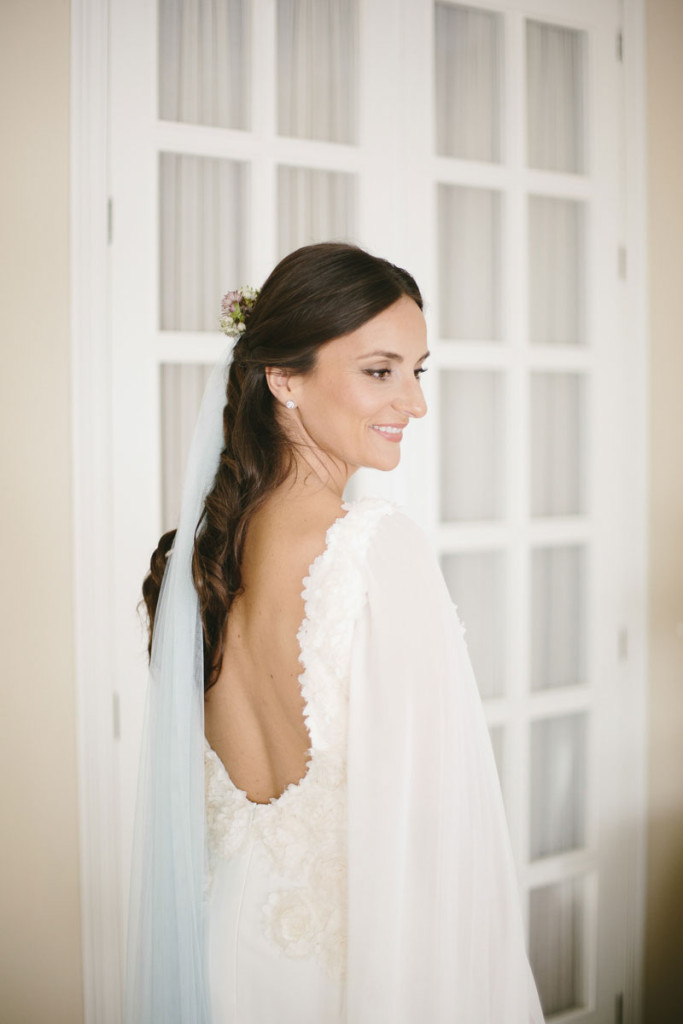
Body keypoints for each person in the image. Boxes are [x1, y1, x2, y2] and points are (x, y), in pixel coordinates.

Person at [125, 243, 544, 1024]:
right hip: (356, 974)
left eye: (417, 372)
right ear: (283, 379)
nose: (413, 404)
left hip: (228, 961)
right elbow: (438, 834)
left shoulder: (200, 560)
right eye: (380, 371)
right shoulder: (373, 547)